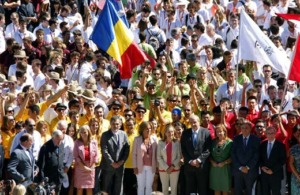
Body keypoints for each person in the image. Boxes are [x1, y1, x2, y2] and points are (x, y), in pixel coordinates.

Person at [180, 115, 212, 194]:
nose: (193, 124)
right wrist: (190, 161)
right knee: (191, 191)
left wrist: (198, 160)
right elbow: (183, 149)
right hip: (189, 167)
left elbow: (208, 149)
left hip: (202, 167)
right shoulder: (185, 133)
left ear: (199, 121)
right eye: (191, 122)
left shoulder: (206, 132)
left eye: (194, 122)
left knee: (202, 190)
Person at [101, 116, 130, 195]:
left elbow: (127, 149)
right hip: (108, 166)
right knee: (106, 187)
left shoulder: (124, 134)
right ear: (110, 124)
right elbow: (104, 150)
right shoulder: (105, 135)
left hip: (120, 166)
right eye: (113, 124)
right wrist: (112, 163)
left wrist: (121, 162)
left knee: (118, 187)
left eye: (117, 124)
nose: (115, 126)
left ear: (120, 125)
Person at [231, 120, 260, 195]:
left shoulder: (256, 139)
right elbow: (233, 154)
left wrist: (247, 167)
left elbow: (256, 155)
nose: (244, 129)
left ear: (250, 129)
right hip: (238, 171)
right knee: (238, 191)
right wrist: (240, 167)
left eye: (246, 128)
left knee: (250, 191)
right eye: (243, 128)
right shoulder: (236, 139)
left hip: (250, 171)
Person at [133, 121, 158, 195]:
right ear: (142, 130)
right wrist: (135, 167)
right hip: (140, 167)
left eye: (150, 128)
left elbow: (156, 154)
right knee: (141, 186)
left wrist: (157, 166)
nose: (148, 130)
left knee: (149, 186)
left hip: (151, 167)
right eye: (146, 129)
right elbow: (134, 154)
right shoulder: (137, 139)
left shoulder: (154, 139)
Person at [259, 126, 286, 195]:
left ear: (275, 134)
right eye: (268, 133)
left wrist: (272, 170)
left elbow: (282, 160)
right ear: (266, 134)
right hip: (264, 174)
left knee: (276, 193)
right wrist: (262, 167)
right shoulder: (262, 144)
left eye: (272, 133)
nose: (270, 135)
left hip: (276, 174)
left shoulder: (281, 145)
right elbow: (259, 158)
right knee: (265, 192)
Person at [37, 130, 65, 194]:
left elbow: (61, 159)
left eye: (61, 140)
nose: (60, 142)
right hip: (49, 179)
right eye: (58, 140)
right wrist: (42, 180)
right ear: (53, 137)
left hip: (58, 178)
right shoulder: (45, 147)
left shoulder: (61, 145)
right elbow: (41, 165)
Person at [73, 125, 99, 195]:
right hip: (80, 168)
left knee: (89, 188)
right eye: (81, 132)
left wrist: (92, 166)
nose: (83, 134)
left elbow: (96, 155)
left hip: (91, 167)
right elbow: (76, 157)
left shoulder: (94, 142)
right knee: (79, 188)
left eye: (85, 132)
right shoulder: (77, 142)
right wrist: (84, 167)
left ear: (88, 132)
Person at [157, 125, 181, 195]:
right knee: (165, 189)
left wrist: (172, 166)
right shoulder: (160, 143)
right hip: (163, 169)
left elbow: (178, 156)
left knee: (174, 189)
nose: (171, 133)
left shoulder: (177, 143)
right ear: (165, 133)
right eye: (169, 132)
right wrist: (167, 168)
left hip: (175, 169)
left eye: (172, 131)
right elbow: (159, 157)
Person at [209, 124, 233, 195]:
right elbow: (208, 154)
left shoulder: (230, 142)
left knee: (225, 189)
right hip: (214, 169)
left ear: (224, 132)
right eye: (217, 132)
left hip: (225, 169)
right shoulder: (213, 142)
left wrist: (224, 163)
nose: (218, 133)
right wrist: (212, 161)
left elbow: (233, 157)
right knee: (216, 189)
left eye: (220, 131)